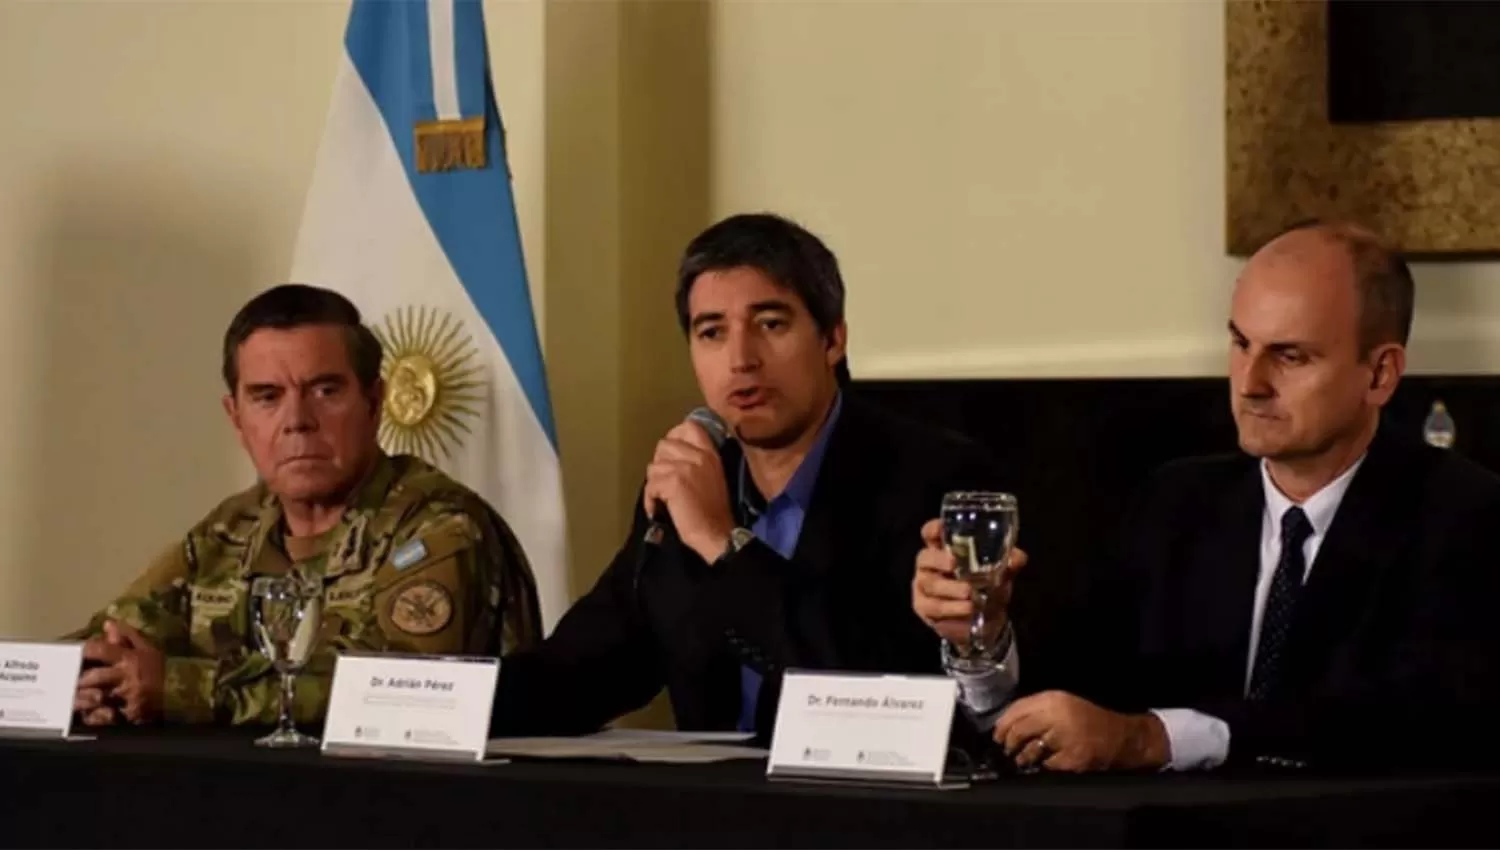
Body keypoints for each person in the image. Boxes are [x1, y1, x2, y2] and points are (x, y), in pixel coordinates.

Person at [914, 221, 1500, 772]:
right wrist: (982, 638)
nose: (1250, 383)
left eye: (1290, 356)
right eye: (1241, 343)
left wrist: (1153, 739)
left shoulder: (1463, 516)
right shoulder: (1178, 503)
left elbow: (1406, 717)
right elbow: (1078, 692)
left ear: (1380, 375)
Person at [490, 212, 1001, 739]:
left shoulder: (931, 480)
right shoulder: (691, 485)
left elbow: (871, 690)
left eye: (771, 324)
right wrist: (425, 700)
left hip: (867, 812)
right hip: (714, 813)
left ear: (833, 341)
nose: (740, 359)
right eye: (711, 332)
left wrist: (721, 543)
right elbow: (578, 674)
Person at [68, 284, 542, 726]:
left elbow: (396, 695)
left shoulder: (441, 529)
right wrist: (86, 682)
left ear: (374, 403)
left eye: (325, 391)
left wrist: (180, 687)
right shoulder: (231, 529)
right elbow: (104, 641)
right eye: (267, 397)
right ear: (236, 418)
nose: (297, 421)